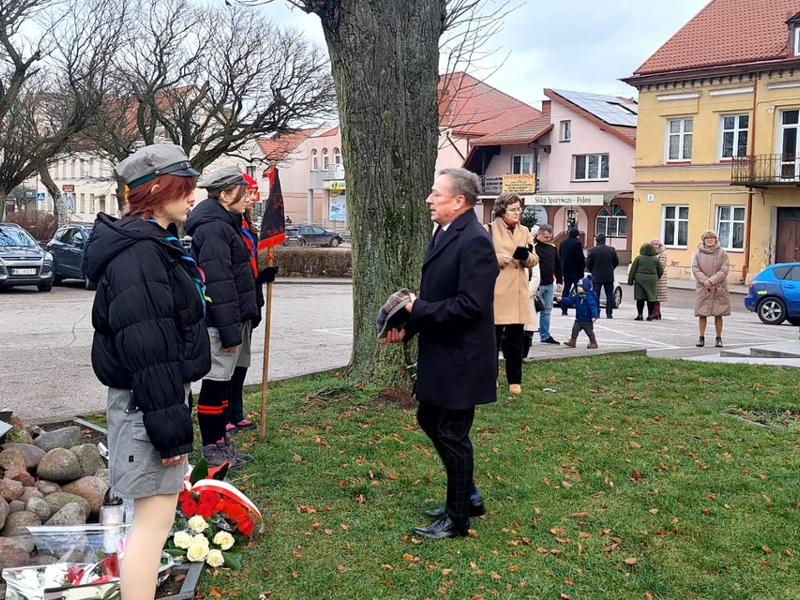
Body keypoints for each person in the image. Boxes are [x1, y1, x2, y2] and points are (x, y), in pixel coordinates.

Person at [85, 144, 211, 600]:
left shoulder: (151, 245)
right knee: (152, 527)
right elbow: (149, 349)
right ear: (156, 191)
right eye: (185, 187)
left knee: (151, 523)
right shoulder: (140, 255)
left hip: (151, 402)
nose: (193, 196)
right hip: (147, 406)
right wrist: (170, 432)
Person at [382, 167, 498, 540]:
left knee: (452, 432)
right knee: (430, 417)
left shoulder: (475, 241)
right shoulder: (446, 232)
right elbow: (435, 295)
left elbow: (471, 306)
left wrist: (417, 309)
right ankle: (468, 495)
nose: (429, 199)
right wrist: (408, 326)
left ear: (459, 201)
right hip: (443, 352)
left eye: (437, 194)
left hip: (463, 358)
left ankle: (458, 518)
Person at [185, 167, 260, 468]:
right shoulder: (215, 228)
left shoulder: (226, 223)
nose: (248, 198)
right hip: (219, 323)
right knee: (215, 384)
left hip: (231, 319)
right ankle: (212, 446)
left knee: (224, 383)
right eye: (243, 193)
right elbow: (219, 283)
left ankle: (221, 442)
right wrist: (229, 331)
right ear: (225, 195)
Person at [224, 173, 278, 435]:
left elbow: (248, 264)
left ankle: (236, 411)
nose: (253, 198)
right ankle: (225, 414)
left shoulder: (245, 223)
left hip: (249, 302)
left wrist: (259, 278)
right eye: (249, 193)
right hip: (235, 304)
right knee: (229, 364)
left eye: (254, 193)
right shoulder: (229, 225)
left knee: (242, 362)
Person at [487, 193, 539, 395]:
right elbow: (477, 257)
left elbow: (534, 259)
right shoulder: (489, 230)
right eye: (513, 209)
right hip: (497, 292)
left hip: (517, 292)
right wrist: (495, 259)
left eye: (519, 209)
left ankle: (514, 380)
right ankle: (490, 379)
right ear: (502, 210)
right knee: (492, 340)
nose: (518, 213)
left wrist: (526, 256)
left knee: (516, 340)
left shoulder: (524, 231)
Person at [692, 230, 731, 347]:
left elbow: (724, 270)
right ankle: (701, 337)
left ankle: (718, 338)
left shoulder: (723, 254)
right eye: (707, 238)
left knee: (719, 313)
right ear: (703, 240)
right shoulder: (698, 254)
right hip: (703, 287)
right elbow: (695, 269)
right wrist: (705, 281)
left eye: (712, 238)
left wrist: (711, 281)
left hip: (719, 287)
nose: (709, 240)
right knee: (702, 313)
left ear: (716, 240)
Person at [533, 224, 562, 344]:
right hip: (536, 285)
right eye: (545, 237)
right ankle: (528, 336)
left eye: (550, 237)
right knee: (533, 310)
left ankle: (545, 336)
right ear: (539, 234)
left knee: (547, 310)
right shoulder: (533, 246)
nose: (548, 239)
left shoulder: (552, 247)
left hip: (549, 284)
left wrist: (560, 281)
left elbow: (558, 265)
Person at [627, 242, 664, 321]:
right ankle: (650, 315)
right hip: (652, 280)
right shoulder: (655, 259)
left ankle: (640, 314)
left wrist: (630, 281)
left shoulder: (639, 258)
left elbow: (633, 270)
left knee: (640, 297)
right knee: (651, 298)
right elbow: (661, 270)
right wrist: (656, 277)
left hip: (639, 280)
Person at [561, 275, 600, 349]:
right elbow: (571, 301)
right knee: (574, 330)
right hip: (579, 319)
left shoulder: (590, 297)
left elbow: (593, 307)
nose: (578, 288)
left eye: (580, 287)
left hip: (587, 320)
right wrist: (562, 299)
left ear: (585, 288)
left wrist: (594, 316)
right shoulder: (577, 296)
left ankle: (593, 342)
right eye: (578, 286)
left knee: (589, 332)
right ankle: (573, 341)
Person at [586, 233, 619, 318]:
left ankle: (596, 313)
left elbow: (588, 264)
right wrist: (611, 268)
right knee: (609, 295)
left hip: (597, 276)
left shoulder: (593, 250)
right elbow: (616, 262)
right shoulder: (611, 250)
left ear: (597, 241)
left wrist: (593, 271)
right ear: (605, 240)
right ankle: (609, 313)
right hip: (609, 276)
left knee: (596, 295)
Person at [559, 228, 585, 316]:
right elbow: (580, 258)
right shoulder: (577, 243)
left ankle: (564, 309)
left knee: (566, 289)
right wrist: (583, 267)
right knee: (579, 290)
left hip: (566, 270)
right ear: (577, 235)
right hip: (577, 271)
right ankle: (579, 309)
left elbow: (560, 255)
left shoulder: (563, 243)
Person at [650, 239, 668, 320]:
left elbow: (661, 266)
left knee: (657, 297)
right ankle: (657, 313)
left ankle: (656, 313)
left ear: (659, 246)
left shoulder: (662, 254)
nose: (654, 247)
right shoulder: (651, 254)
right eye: (653, 245)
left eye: (656, 245)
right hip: (653, 276)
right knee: (654, 296)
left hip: (660, 278)